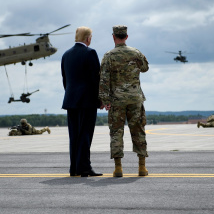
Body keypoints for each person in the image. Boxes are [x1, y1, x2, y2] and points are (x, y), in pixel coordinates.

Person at [99, 25, 149, 177]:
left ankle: (118, 168)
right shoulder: (136, 53)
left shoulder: (109, 56)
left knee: (116, 132)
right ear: (126, 36)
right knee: (138, 131)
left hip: (116, 100)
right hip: (135, 99)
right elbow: (145, 68)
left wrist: (105, 100)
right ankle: (141, 167)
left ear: (113, 36)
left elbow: (103, 80)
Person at [61, 26, 103, 177]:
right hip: (87, 101)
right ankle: (84, 167)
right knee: (85, 134)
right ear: (88, 38)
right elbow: (96, 79)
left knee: (74, 136)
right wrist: (101, 99)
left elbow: (65, 80)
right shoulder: (90, 53)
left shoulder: (66, 54)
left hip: (71, 100)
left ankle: (74, 168)